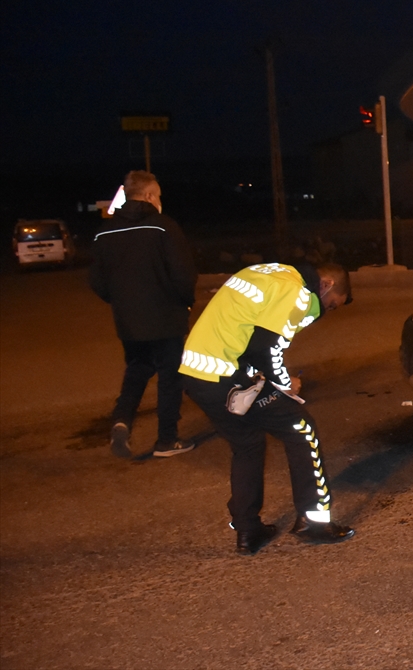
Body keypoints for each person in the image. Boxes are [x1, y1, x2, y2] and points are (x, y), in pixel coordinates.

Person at [180, 261, 356, 555]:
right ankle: (313, 522)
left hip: (196, 374)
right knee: (302, 430)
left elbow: (247, 334)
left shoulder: (268, 272)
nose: (325, 312)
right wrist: (287, 385)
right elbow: (267, 348)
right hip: (229, 377)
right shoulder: (297, 292)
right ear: (326, 284)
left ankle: (248, 531)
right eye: (332, 305)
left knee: (246, 444)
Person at [89, 170, 197, 459]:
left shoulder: (104, 232)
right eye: (158, 195)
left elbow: (97, 281)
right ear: (149, 196)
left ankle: (121, 421)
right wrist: (185, 302)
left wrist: (121, 302)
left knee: (136, 370)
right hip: (166, 318)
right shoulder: (164, 227)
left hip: (128, 322)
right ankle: (166, 440)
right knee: (169, 376)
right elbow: (183, 274)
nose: (160, 201)